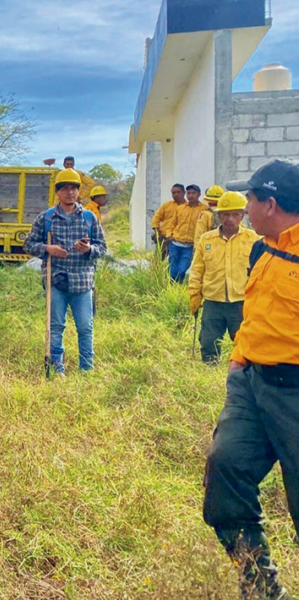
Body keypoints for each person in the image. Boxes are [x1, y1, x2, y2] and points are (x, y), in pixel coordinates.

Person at [203, 159, 299, 600]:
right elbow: (258, 311)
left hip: (294, 393)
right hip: (251, 383)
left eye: (251, 201)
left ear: (271, 203)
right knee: (225, 471)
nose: (244, 210)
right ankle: (261, 589)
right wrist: (239, 359)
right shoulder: (264, 247)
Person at [23, 168, 107, 374]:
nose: (70, 193)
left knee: (85, 327)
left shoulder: (89, 218)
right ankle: (56, 369)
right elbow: (29, 244)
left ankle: (86, 370)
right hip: (56, 280)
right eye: (65, 188)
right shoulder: (46, 218)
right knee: (56, 327)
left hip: (83, 282)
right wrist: (47, 249)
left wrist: (89, 250)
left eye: (74, 188)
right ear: (57, 192)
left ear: (78, 192)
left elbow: (102, 248)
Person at [187, 191, 258, 364]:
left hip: (241, 302)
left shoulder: (254, 239)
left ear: (242, 215)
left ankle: (243, 372)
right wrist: (195, 294)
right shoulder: (206, 240)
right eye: (226, 214)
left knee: (244, 343)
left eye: (235, 214)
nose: (230, 219)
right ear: (219, 216)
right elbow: (197, 270)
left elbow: (260, 271)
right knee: (208, 341)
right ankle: (210, 370)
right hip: (213, 301)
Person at [168, 184, 207, 283]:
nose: (191, 195)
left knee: (182, 269)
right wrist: (169, 235)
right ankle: (173, 289)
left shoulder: (204, 209)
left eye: (193, 193)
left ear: (199, 194)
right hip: (175, 243)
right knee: (172, 269)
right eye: (189, 193)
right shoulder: (180, 208)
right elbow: (172, 223)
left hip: (189, 246)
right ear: (186, 194)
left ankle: (176, 285)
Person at [152, 184, 186, 258]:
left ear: (184, 192)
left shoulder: (188, 207)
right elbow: (156, 218)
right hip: (164, 238)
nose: (176, 194)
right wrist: (157, 233)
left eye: (178, 192)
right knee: (158, 260)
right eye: (173, 193)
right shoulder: (166, 205)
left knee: (176, 261)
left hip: (180, 240)